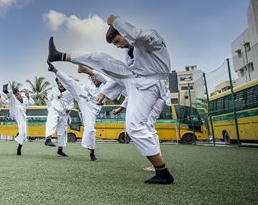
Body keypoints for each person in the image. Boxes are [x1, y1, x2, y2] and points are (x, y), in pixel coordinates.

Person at [48, 15, 174, 184]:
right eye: (115, 44)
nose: (118, 46)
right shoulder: (129, 56)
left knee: (134, 127)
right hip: (136, 80)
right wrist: (104, 93)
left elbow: (136, 36)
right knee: (100, 57)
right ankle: (61, 55)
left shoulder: (151, 38)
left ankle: (163, 172)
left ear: (123, 32)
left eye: (117, 41)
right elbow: (118, 75)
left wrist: (115, 20)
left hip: (152, 83)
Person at [46, 63, 105, 161]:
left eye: (95, 77)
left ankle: (92, 151)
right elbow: (76, 88)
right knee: (71, 84)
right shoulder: (88, 84)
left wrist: (101, 102)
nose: (93, 78)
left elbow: (105, 97)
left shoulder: (105, 85)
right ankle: (55, 70)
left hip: (92, 109)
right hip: (84, 100)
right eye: (92, 77)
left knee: (90, 129)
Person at [0, 84, 34, 155]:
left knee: (24, 133)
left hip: (22, 116)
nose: (18, 96)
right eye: (16, 95)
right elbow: (5, 102)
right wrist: (1, 95)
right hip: (15, 112)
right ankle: (6, 91)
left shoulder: (25, 99)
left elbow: (32, 103)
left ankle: (19, 147)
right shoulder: (14, 99)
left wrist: (28, 96)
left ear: (20, 92)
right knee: (12, 98)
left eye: (18, 94)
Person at [42, 78, 74, 157]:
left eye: (62, 83)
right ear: (57, 84)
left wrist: (69, 109)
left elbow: (71, 103)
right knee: (51, 122)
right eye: (59, 83)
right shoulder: (53, 90)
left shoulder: (70, 92)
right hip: (54, 109)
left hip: (63, 112)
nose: (61, 84)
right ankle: (48, 139)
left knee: (62, 131)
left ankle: (60, 150)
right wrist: (45, 98)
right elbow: (49, 99)